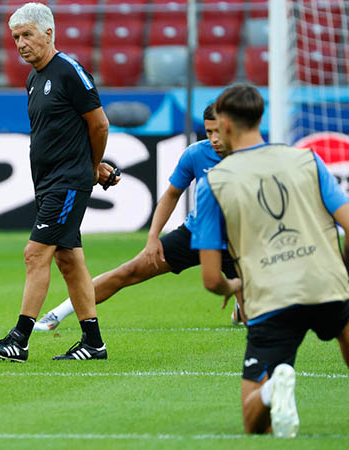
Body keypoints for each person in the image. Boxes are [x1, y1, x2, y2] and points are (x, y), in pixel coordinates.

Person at [192, 84, 349, 437]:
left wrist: (234, 285)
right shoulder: (306, 159)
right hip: (327, 284)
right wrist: (343, 270)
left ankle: (270, 389)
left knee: (253, 425)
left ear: (226, 125)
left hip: (270, 297)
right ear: (259, 118)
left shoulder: (214, 182)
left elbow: (210, 279)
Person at [0, 2, 119, 362]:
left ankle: (20, 338)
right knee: (69, 261)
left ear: (49, 33)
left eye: (27, 34)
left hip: (67, 183)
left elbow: (99, 124)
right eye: (15, 37)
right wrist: (93, 165)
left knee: (34, 254)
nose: (21, 43)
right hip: (51, 183)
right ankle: (94, 342)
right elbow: (66, 131)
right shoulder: (34, 78)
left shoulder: (70, 72)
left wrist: (90, 167)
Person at [33, 104, 244, 332]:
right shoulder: (196, 154)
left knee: (258, 322)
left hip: (240, 244)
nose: (213, 138)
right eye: (208, 131)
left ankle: (242, 305)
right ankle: (56, 314)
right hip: (196, 234)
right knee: (129, 272)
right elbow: (171, 195)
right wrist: (153, 237)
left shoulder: (252, 158)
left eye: (218, 132)